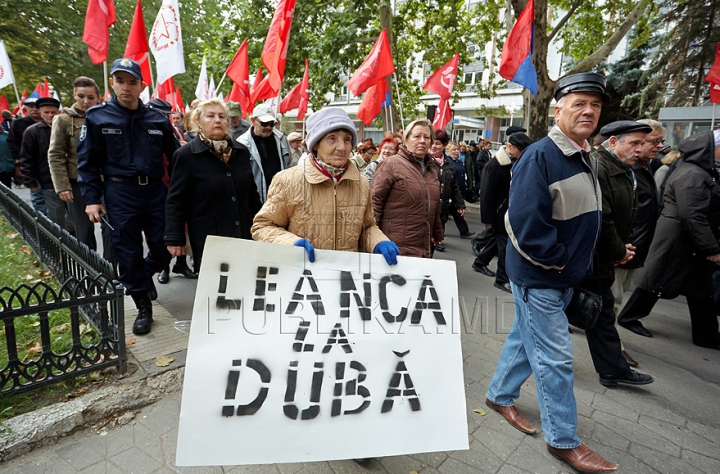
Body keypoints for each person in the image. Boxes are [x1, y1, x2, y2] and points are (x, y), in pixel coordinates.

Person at [485, 73, 619, 473]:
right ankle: (563, 440)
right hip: (541, 276)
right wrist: (559, 259)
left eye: (595, 105)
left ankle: (498, 395)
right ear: (556, 109)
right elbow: (524, 223)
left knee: (525, 342)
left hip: (563, 276)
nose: (589, 111)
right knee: (557, 358)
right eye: (579, 103)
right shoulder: (541, 155)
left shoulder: (584, 154)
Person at [77, 58, 180, 336]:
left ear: (141, 86)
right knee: (128, 251)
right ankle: (143, 306)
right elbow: (87, 163)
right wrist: (92, 199)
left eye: (132, 82)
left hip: (156, 191)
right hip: (120, 192)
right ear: (112, 83)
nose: (126, 87)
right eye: (120, 81)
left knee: (164, 246)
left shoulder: (158, 119)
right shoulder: (97, 117)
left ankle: (144, 275)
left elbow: (177, 159)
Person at [252, 107, 399, 267]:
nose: (342, 147)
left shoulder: (361, 184)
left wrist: (378, 241)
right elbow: (263, 226)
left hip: (346, 279)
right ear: (315, 144)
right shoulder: (287, 181)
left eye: (347, 139)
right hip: (302, 277)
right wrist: (291, 243)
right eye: (332, 138)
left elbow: (367, 227)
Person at [618, 130, 720, 349]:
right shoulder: (694, 174)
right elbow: (692, 214)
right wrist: (711, 247)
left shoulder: (699, 170)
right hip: (679, 238)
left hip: (686, 239)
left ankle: (706, 334)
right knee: (657, 280)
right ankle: (628, 317)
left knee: (700, 289)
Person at [581, 120, 655, 387]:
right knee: (557, 314)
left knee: (600, 313)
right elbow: (602, 218)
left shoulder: (623, 168)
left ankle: (613, 369)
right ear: (613, 142)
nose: (640, 149)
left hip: (601, 258)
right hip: (589, 258)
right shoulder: (600, 167)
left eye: (643, 144)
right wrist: (619, 250)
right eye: (634, 143)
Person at [166, 99, 262, 272]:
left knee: (244, 283)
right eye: (210, 116)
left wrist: (262, 226)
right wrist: (175, 237)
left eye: (222, 116)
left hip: (242, 233)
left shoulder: (241, 152)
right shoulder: (186, 156)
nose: (217, 120)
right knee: (215, 292)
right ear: (199, 122)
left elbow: (252, 195)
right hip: (209, 237)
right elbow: (176, 201)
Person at [611, 119, 664, 367]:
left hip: (635, 247)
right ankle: (613, 352)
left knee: (614, 299)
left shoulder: (644, 166)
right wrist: (620, 246)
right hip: (623, 248)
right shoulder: (625, 168)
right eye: (653, 141)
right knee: (612, 300)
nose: (659, 146)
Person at [372, 119, 443, 258]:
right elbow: (375, 203)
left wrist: (437, 231)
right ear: (406, 139)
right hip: (394, 247)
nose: (422, 141)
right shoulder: (391, 164)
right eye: (417, 136)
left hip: (423, 246)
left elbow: (432, 203)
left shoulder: (431, 168)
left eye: (427, 137)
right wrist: (373, 240)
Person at [47, 76, 102, 251]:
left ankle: (112, 272)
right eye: (81, 96)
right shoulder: (63, 119)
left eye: (91, 97)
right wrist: (62, 186)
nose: (86, 101)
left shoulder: (104, 116)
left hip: (105, 181)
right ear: (74, 95)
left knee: (112, 229)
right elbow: (55, 155)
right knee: (84, 232)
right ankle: (91, 272)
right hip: (77, 183)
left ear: (98, 97)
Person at [145, 99, 195, 284]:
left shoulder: (175, 130)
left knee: (181, 226)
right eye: (161, 114)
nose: (165, 118)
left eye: (167, 114)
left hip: (176, 183)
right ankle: (161, 267)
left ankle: (181, 264)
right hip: (158, 187)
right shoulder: (145, 131)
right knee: (161, 231)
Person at [478, 132, 532, 293]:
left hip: (510, 212)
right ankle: (501, 279)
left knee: (499, 241)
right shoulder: (494, 165)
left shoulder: (517, 162)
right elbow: (486, 194)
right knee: (506, 246)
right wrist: (487, 218)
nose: (523, 153)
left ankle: (480, 262)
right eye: (520, 150)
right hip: (499, 213)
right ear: (510, 147)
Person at [19, 97, 65, 223]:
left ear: (59, 112)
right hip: (44, 181)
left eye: (53, 112)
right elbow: (27, 158)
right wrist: (30, 181)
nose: (50, 115)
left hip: (67, 181)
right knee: (51, 218)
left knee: (70, 219)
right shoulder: (32, 132)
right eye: (46, 112)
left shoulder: (66, 128)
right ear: (40, 113)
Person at [236, 105, 291, 203]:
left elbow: (289, 166)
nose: (269, 127)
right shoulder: (241, 143)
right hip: (255, 202)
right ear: (253, 121)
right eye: (264, 123)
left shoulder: (282, 139)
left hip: (281, 199)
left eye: (272, 124)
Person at [8, 97, 45, 210]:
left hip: (48, 163)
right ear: (26, 109)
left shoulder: (51, 121)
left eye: (36, 107)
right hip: (30, 164)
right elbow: (12, 142)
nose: (34, 109)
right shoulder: (18, 123)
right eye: (31, 107)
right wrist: (18, 160)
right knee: (38, 196)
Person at [440, 141, 473, 241]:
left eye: (457, 149)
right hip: (450, 193)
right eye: (453, 150)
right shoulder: (448, 162)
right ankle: (440, 235)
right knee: (443, 215)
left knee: (458, 213)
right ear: (448, 151)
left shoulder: (458, 162)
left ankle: (464, 231)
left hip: (458, 192)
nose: (456, 151)